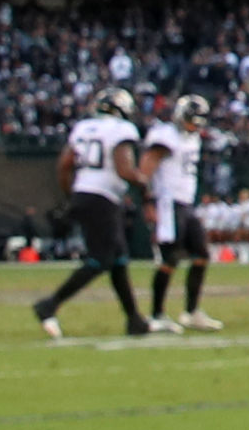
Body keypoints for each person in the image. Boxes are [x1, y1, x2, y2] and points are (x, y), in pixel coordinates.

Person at [34, 81, 151, 338]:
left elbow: (65, 165)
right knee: (101, 260)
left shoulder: (83, 127)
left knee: (118, 260)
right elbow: (124, 169)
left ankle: (134, 319)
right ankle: (50, 304)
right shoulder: (122, 129)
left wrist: (72, 195)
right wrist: (143, 182)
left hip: (84, 193)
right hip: (103, 198)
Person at [140, 90, 215, 331]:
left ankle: (191, 311)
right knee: (170, 257)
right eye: (191, 121)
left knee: (202, 253)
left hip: (186, 202)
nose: (193, 127)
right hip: (168, 201)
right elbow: (146, 167)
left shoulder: (194, 137)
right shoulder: (165, 135)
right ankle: (156, 314)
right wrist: (148, 202)